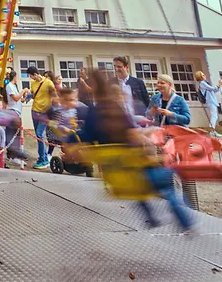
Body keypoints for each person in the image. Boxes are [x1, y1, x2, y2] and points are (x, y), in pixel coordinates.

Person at [80, 70, 195, 231]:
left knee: (136, 185)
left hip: (118, 174)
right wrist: (149, 153)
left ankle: (153, 217)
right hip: (134, 165)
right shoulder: (118, 112)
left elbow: (86, 140)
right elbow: (134, 135)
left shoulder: (93, 114)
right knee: (166, 181)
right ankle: (187, 221)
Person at [27, 66, 56, 170]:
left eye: (31, 76)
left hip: (45, 113)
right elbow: (34, 95)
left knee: (40, 134)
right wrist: (28, 96)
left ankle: (43, 159)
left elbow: (54, 96)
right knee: (38, 135)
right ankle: (42, 158)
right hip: (34, 111)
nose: (30, 78)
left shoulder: (48, 82)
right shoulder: (33, 84)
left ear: (35, 74)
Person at [112, 56, 150, 121]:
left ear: (126, 67)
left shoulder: (138, 82)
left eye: (119, 67)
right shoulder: (111, 83)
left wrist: (148, 116)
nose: (116, 69)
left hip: (138, 118)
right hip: (118, 120)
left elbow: (146, 101)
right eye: (115, 66)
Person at [46, 87, 81, 158]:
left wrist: (77, 124)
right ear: (63, 101)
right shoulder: (59, 112)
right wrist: (62, 128)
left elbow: (74, 121)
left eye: (74, 100)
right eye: (70, 100)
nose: (73, 102)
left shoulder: (74, 111)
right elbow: (55, 124)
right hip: (62, 135)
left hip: (72, 133)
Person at [195, 71, 222, 136]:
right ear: (200, 77)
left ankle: (213, 130)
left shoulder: (205, 83)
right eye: (203, 75)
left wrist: (219, 86)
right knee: (214, 116)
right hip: (210, 101)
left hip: (212, 100)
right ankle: (212, 131)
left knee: (214, 115)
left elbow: (215, 90)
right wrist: (218, 84)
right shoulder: (202, 83)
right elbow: (212, 88)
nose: (205, 75)